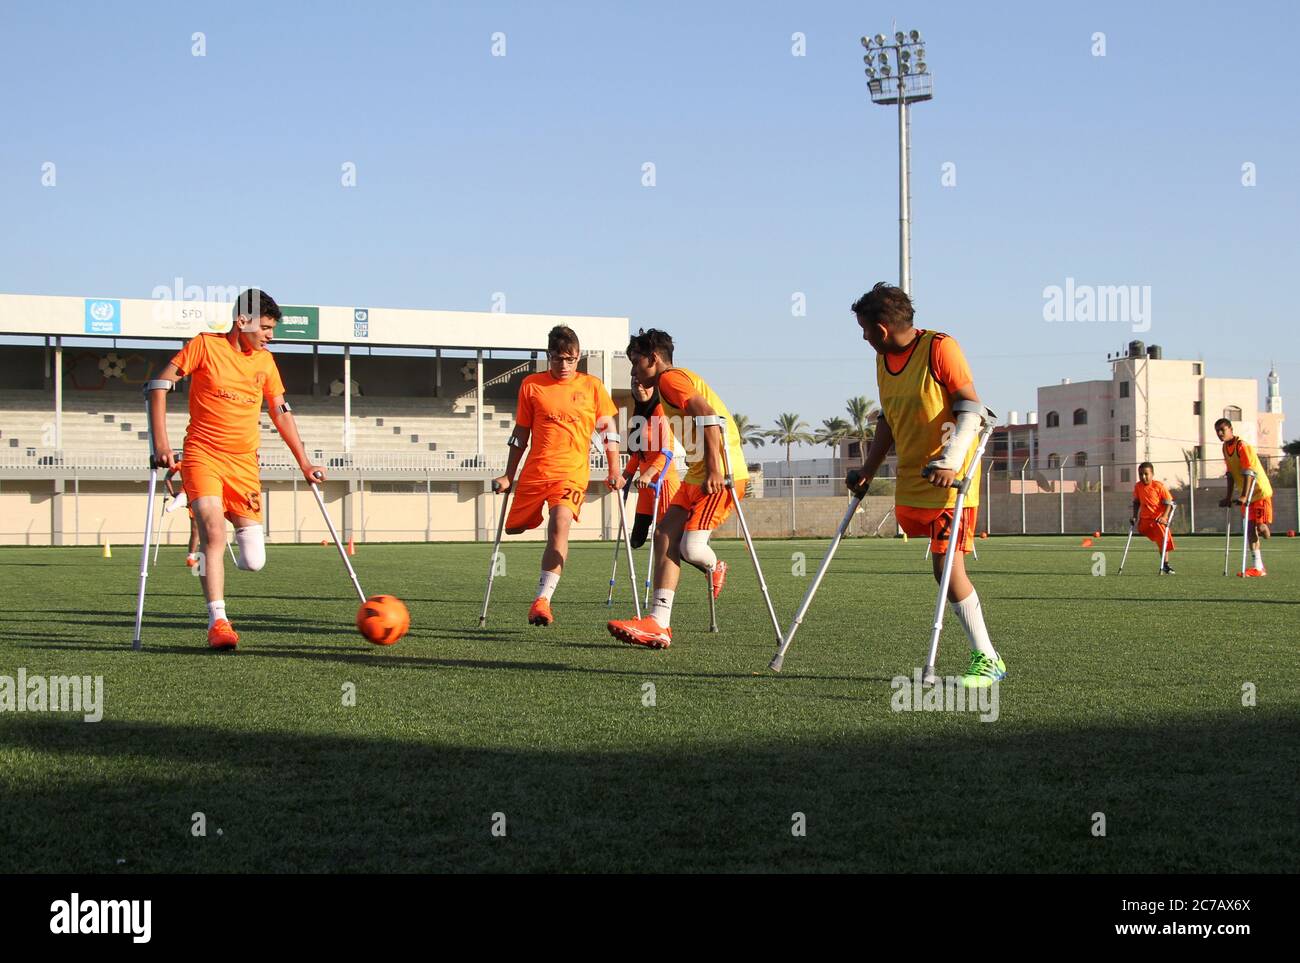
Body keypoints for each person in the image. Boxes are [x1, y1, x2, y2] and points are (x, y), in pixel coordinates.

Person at [845, 282, 1006, 688]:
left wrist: (951, 462)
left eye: (865, 331)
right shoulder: (883, 362)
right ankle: (988, 657)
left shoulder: (940, 348)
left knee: (946, 568)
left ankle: (988, 658)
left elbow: (971, 406)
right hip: (914, 478)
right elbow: (889, 420)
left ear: (881, 329)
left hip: (951, 479)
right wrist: (868, 468)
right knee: (941, 571)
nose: (864, 339)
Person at [147, 289, 323, 649]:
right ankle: (218, 622)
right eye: (267, 327)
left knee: (254, 561)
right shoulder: (204, 346)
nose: (270, 336)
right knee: (213, 533)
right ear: (242, 322)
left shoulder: (265, 362)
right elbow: (158, 386)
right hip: (203, 454)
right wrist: (161, 445)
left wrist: (304, 462)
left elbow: (280, 412)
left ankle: (196, 509)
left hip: (244, 465)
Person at [606, 329, 744, 649]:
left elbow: (710, 417)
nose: (633, 370)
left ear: (654, 358)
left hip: (720, 473)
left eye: (636, 362)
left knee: (691, 550)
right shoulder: (668, 386)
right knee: (664, 534)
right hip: (696, 473)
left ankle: (715, 566)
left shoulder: (670, 380)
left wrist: (713, 469)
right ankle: (658, 623)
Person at [493, 325, 623, 626]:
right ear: (548, 356)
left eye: (570, 359)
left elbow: (609, 431)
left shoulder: (592, 387)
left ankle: (542, 600)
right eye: (557, 358)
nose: (564, 365)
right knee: (514, 529)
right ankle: (541, 582)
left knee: (559, 524)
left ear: (578, 357)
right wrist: (508, 475)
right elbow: (520, 433)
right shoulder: (531, 385)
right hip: (536, 472)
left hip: (572, 473)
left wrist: (615, 469)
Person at [622, 376, 681, 550]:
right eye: (634, 383)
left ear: (653, 388)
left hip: (663, 485)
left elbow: (667, 451)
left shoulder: (661, 411)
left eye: (642, 383)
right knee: (636, 539)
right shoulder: (639, 415)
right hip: (645, 488)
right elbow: (637, 455)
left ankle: (712, 567)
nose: (638, 387)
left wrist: (648, 475)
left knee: (667, 539)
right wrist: (624, 477)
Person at [1215, 418, 1272, 576]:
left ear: (1231, 429)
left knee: (1260, 528)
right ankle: (1258, 567)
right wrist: (1228, 497)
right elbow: (1231, 474)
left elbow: (1249, 472)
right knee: (1249, 530)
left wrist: (1245, 495)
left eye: (1222, 430)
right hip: (1246, 494)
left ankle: (1267, 531)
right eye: (1217, 431)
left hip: (1259, 491)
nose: (1220, 433)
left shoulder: (1242, 446)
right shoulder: (1225, 448)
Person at [1130, 461, 1176, 574]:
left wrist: (1164, 517)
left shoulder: (1158, 486)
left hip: (1157, 520)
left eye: (1146, 474)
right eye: (1140, 474)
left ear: (1152, 474)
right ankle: (1163, 559)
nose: (1143, 477)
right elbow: (1136, 502)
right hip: (1144, 521)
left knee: (1163, 540)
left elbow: (1169, 503)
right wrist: (1134, 516)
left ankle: (1165, 565)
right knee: (1160, 538)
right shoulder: (1138, 486)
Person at [162, 465, 201, 567]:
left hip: (197, 495)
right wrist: (172, 493)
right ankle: (191, 558)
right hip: (196, 496)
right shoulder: (180, 463)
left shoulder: (182, 462)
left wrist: (172, 493)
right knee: (197, 530)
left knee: (197, 530)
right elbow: (167, 477)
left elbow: (167, 477)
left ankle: (192, 558)